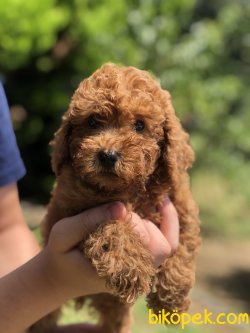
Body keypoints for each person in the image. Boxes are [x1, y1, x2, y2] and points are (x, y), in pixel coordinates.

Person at [0, 82, 179, 333]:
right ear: (68, 136)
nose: (108, 148)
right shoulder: (74, 187)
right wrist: (51, 279)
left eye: (139, 126)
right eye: (94, 123)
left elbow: (5, 228)